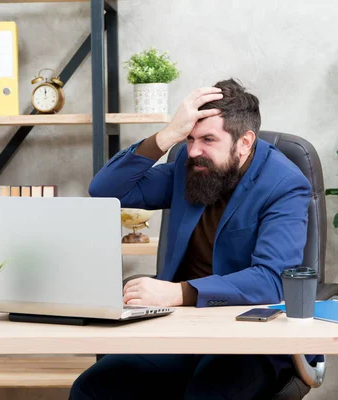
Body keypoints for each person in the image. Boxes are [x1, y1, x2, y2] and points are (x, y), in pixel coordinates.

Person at [70, 78, 312, 399]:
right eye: (190, 138)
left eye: (208, 139)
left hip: (253, 339)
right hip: (182, 332)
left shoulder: (283, 184)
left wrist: (178, 293)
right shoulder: (191, 167)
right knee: (92, 390)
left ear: (245, 141)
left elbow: (271, 281)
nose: (194, 150)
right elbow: (106, 189)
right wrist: (167, 135)